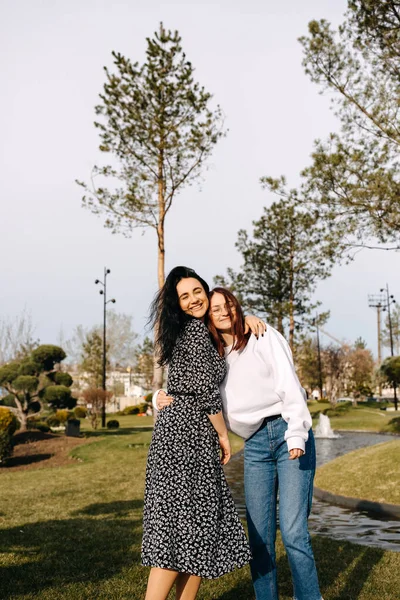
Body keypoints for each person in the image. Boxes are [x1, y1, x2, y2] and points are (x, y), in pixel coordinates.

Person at [156, 287, 323, 600]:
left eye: (227, 305)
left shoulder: (263, 336)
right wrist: (158, 397)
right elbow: (189, 385)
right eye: (214, 308)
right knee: (258, 539)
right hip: (256, 445)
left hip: (288, 434)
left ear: (237, 307)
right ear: (207, 317)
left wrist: (297, 434)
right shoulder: (213, 354)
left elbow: (290, 386)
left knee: (293, 532)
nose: (222, 311)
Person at [142, 268, 255, 600]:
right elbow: (207, 392)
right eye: (184, 296)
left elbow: (187, 381)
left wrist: (250, 320)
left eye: (196, 291)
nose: (193, 299)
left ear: (206, 291)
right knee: (180, 530)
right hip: (186, 438)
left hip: (183, 434)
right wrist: (223, 435)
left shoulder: (198, 332)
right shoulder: (194, 333)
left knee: (195, 529)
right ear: (178, 304)